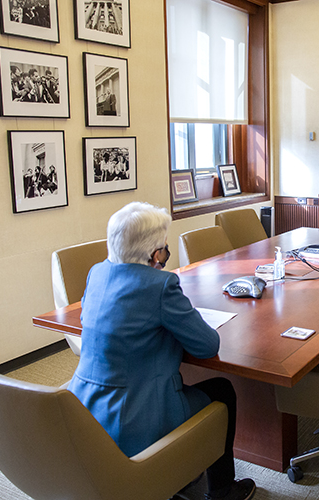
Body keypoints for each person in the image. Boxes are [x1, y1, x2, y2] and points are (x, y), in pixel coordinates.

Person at [68, 202, 256, 500]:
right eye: (165, 250)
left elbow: (90, 320)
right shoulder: (161, 284)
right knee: (223, 389)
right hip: (135, 414)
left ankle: (181, 474)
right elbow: (207, 347)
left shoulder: (97, 273)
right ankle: (222, 491)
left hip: (84, 406)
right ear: (156, 255)